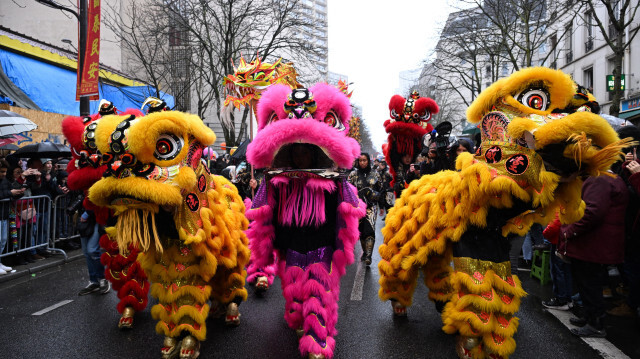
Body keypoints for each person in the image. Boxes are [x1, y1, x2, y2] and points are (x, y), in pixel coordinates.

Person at [560, 172, 628, 337]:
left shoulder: (600, 179)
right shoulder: (610, 178)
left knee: (590, 284)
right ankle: (590, 317)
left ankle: (595, 324)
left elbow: (592, 213)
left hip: (593, 243)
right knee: (589, 284)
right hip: (598, 243)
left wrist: (570, 231)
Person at [348, 152, 382, 265]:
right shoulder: (353, 174)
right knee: (361, 231)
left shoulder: (375, 174)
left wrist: (380, 204)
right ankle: (365, 253)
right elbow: (346, 189)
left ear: (368, 161)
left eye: (365, 160)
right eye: (360, 160)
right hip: (357, 207)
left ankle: (368, 255)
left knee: (369, 230)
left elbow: (381, 189)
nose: (362, 162)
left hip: (371, 207)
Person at [74, 202, 110, 295]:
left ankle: (102, 278)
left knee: (92, 250)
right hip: (85, 218)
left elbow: (98, 197)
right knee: (86, 252)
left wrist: (87, 213)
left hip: (96, 216)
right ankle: (94, 281)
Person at [0, 160, 23, 274]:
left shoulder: (5, 181)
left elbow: (12, 190)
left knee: (3, 240)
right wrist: (11, 193)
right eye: (1, 172)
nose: (4, 174)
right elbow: (7, 193)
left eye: (5, 172)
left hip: (4, 214)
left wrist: (19, 192)